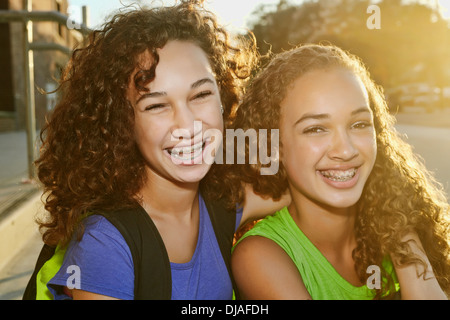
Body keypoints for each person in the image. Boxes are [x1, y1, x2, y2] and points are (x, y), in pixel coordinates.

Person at [32, 0, 288, 300]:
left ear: (224, 97)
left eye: (201, 94)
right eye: (156, 105)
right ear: (123, 123)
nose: (188, 123)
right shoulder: (103, 244)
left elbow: (308, 181)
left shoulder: (223, 202)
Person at [230, 43, 450, 300]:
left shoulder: (394, 225)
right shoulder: (259, 255)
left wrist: (402, 230)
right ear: (273, 146)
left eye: (359, 124)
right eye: (316, 129)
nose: (345, 150)